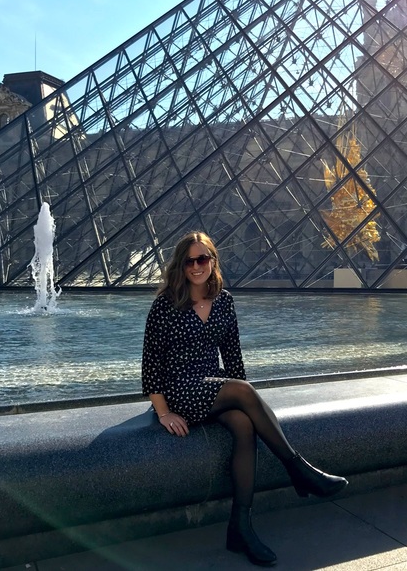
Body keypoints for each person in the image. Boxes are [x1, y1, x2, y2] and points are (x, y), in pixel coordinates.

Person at [141, 231, 348, 567]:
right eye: (189, 261)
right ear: (180, 265)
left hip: (212, 385)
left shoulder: (224, 300)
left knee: (243, 423)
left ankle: (240, 527)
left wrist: (245, 405)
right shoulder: (166, 304)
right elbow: (151, 363)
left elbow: (233, 357)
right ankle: (298, 470)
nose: (196, 266)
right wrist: (163, 412)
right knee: (242, 391)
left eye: (202, 259)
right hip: (178, 389)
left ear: (213, 261)